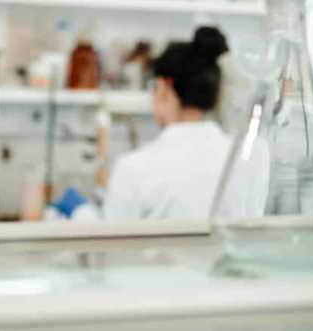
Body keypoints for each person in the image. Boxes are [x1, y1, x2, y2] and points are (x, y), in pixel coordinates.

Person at [53, 26, 268, 221]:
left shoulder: (133, 168)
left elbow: (111, 248)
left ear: (163, 88)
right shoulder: (253, 157)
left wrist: (80, 212)